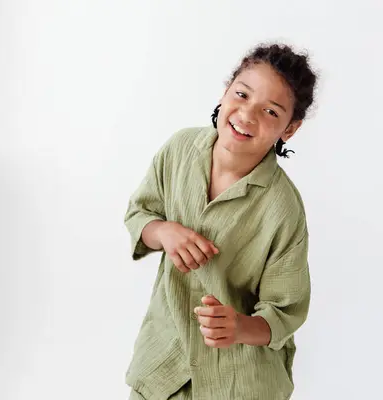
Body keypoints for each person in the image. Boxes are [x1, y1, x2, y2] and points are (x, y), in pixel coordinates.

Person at [124, 42, 318, 400]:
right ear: (225, 91)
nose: (247, 115)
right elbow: (140, 214)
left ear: (289, 129)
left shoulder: (283, 208)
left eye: (270, 112)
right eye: (241, 94)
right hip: (162, 366)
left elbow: (285, 312)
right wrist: (164, 232)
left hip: (237, 382)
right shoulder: (179, 149)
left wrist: (240, 327)